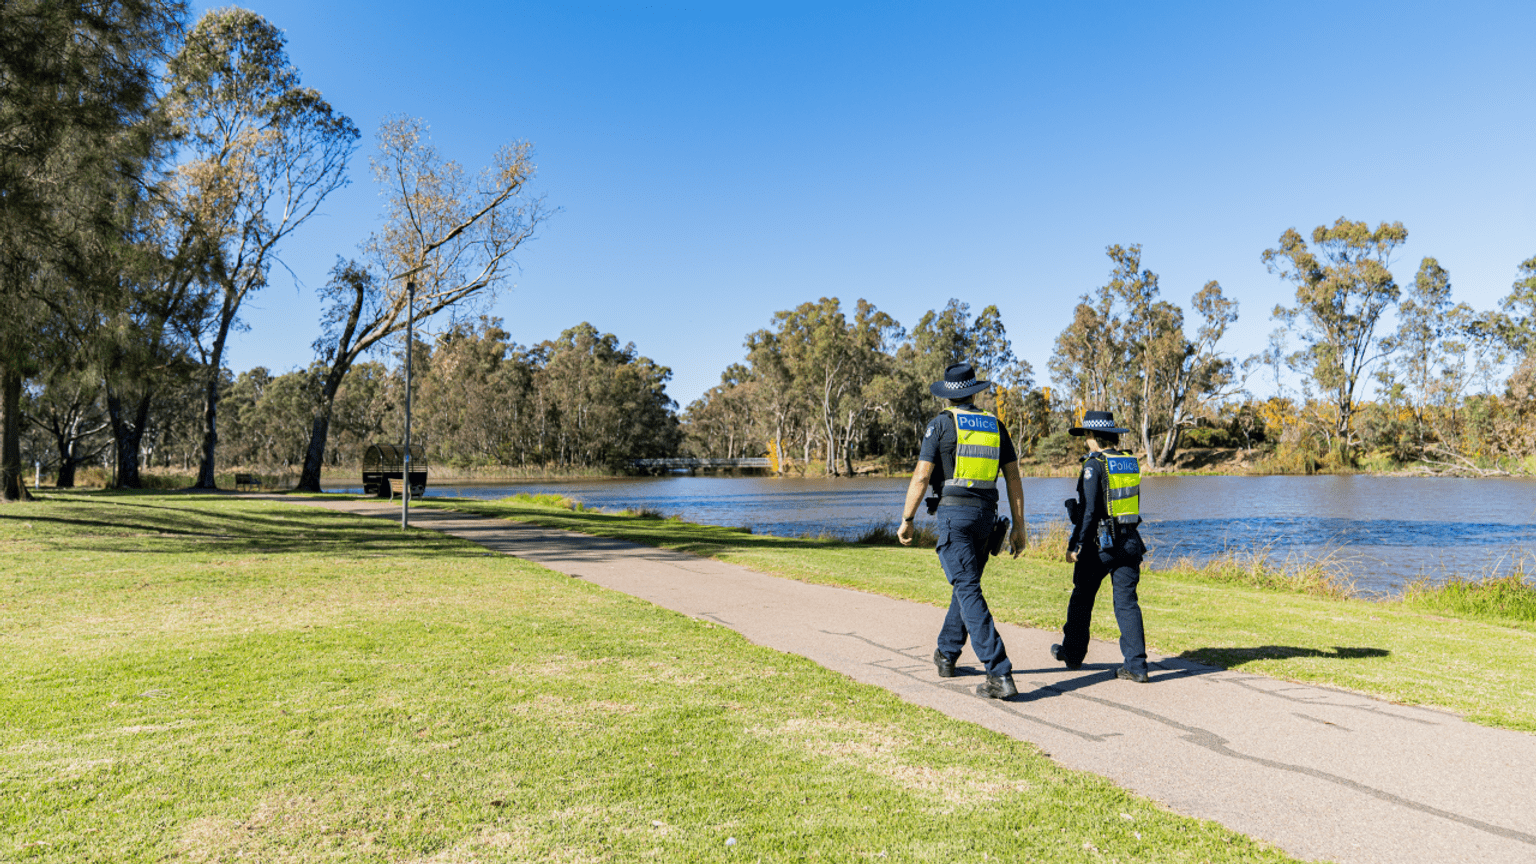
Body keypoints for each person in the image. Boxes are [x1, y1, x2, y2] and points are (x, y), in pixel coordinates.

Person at [897, 362, 1028, 699]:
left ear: (949, 394)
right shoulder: (996, 426)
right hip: (987, 516)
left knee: (967, 587)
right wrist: (1019, 525)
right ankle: (947, 654)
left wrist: (907, 518)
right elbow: (1013, 478)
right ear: (974, 392)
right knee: (965, 583)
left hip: (955, 516)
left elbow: (922, 476)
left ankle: (999, 672)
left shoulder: (941, 424)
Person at [1051, 410, 1149, 682]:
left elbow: (1090, 512)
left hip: (1101, 545)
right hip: (1129, 541)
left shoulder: (1094, 465)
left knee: (1081, 598)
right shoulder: (1128, 461)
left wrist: (1076, 545)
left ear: (1092, 436)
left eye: (1086, 435)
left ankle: (1072, 654)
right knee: (1127, 604)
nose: (1085, 440)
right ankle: (1137, 666)